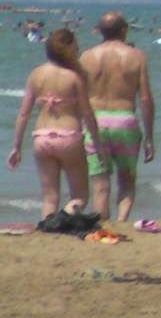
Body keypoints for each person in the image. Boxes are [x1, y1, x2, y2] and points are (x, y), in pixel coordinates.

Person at [8, 29, 102, 218]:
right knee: (80, 196)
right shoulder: (73, 77)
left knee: (49, 197)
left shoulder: (36, 74)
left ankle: (47, 225)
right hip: (69, 137)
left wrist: (16, 147)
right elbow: (87, 114)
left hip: (41, 138)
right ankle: (62, 218)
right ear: (70, 49)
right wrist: (98, 145)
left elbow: (24, 114)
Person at [80, 12, 155, 222]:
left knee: (100, 184)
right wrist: (149, 137)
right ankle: (121, 222)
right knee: (127, 180)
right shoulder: (137, 56)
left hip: (95, 122)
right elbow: (146, 99)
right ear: (124, 30)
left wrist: (78, 127)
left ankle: (103, 225)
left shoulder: (86, 57)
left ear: (99, 31)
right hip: (125, 120)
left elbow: (79, 97)